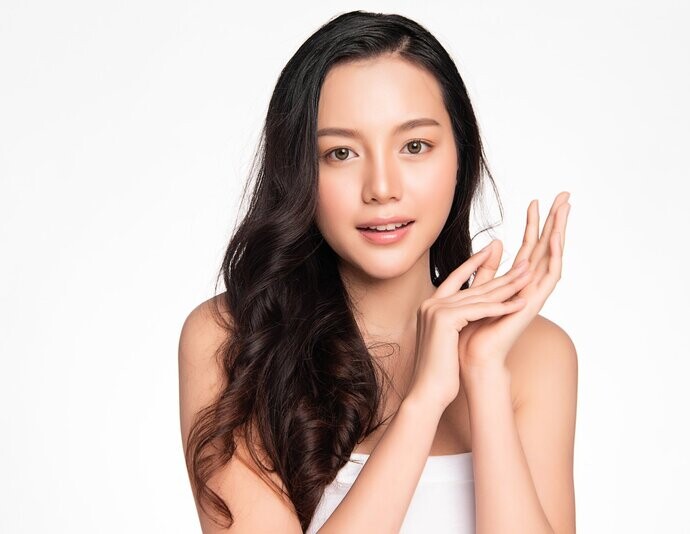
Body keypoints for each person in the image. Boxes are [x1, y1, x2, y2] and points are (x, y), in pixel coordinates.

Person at [178, 10, 576, 533]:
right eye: (341, 153)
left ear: (460, 156)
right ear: (298, 171)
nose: (382, 188)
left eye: (415, 146)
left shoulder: (536, 352)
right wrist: (423, 402)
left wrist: (483, 374)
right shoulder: (232, 339)